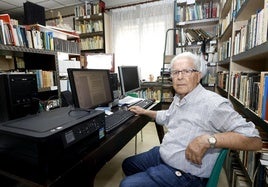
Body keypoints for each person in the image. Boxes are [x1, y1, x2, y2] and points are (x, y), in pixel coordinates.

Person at [120, 52, 262, 187]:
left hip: (185, 174)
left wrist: (208, 140)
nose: (180, 77)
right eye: (175, 72)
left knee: (126, 184)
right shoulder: (180, 96)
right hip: (165, 153)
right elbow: (168, 116)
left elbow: (254, 140)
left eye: (186, 71)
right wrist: (145, 111)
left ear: (198, 75)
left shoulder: (214, 104)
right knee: (127, 164)